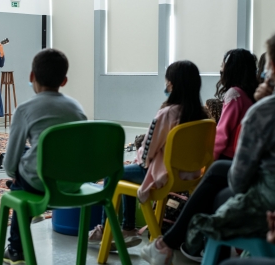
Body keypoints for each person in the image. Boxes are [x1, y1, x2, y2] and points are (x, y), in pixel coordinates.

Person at [141, 34, 275, 265]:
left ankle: (186, 245)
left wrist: (204, 165)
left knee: (216, 183)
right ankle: (173, 244)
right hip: (240, 165)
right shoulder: (245, 100)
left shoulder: (246, 101)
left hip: (242, 169)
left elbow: (223, 140)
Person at [88, 61, 208, 251]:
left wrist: (137, 159)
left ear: (172, 84)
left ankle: (110, 229)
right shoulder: (203, 115)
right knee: (126, 171)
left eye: (167, 80)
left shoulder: (166, 114)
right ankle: (126, 227)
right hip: (189, 178)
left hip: (163, 177)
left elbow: (147, 153)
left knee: (114, 172)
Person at [2, 49, 87, 264]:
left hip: (41, 184)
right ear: (64, 81)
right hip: (73, 183)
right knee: (30, 154)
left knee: (19, 177)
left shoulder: (25, 109)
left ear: (32, 77)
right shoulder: (77, 108)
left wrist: (14, 175)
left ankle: (16, 250)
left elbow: (10, 164)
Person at [213, 49, 258, 160]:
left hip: (229, 157)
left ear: (231, 69)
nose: (221, 69)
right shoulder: (250, 93)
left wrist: (210, 160)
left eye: (222, 65)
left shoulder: (234, 94)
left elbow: (222, 134)